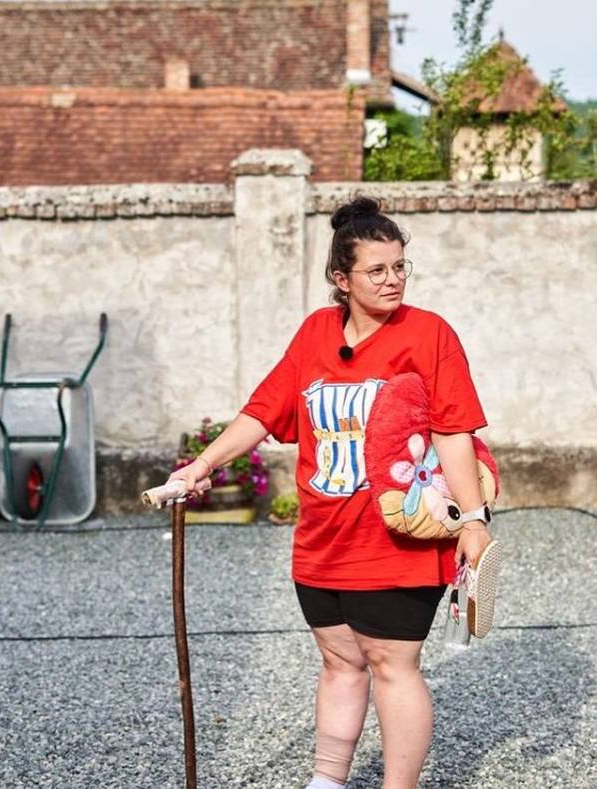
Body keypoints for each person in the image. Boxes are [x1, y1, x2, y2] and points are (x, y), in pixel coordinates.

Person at [167, 196, 493, 789]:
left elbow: (452, 428)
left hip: (396, 539)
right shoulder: (316, 332)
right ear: (340, 279)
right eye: (377, 270)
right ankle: (328, 781)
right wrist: (201, 465)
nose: (393, 279)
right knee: (340, 663)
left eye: (400, 266)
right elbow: (264, 411)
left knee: (393, 666)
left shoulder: (429, 334)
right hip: (321, 539)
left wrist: (472, 520)